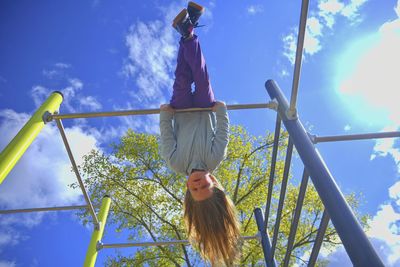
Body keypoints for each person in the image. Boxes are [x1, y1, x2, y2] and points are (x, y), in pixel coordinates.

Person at [159, 2, 240, 266]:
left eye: (195, 188)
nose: (197, 183)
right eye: (204, 185)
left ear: (187, 188)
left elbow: (167, 136)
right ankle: (187, 32)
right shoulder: (215, 159)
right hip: (206, 108)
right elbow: (223, 133)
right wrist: (221, 110)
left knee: (182, 77)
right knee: (202, 78)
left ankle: (188, 30)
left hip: (180, 110)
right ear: (214, 181)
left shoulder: (175, 163)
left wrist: (166, 114)